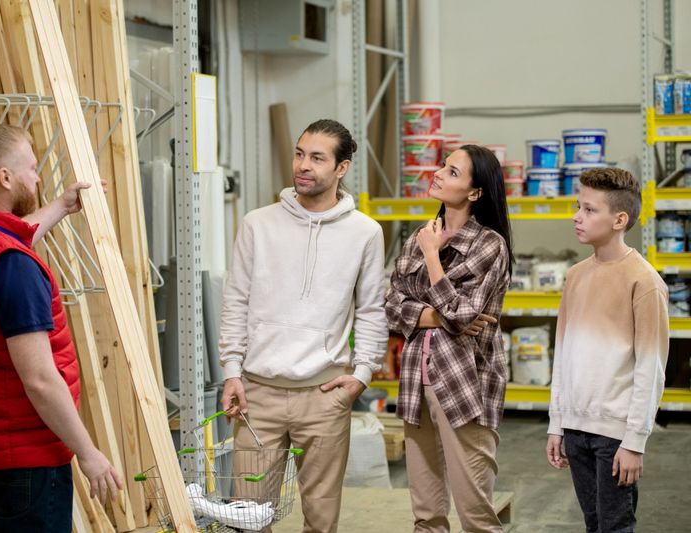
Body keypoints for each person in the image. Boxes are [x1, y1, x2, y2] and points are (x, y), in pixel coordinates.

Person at [0, 123, 122, 532]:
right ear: (5, 177)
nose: (37, 177)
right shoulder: (14, 268)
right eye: (31, 168)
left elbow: (4, 240)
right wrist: (87, 452)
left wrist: (62, 206)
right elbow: (39, 379)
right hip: (25, 461)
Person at [218, 119, 388, 532]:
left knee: (321, 519)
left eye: (317, 157)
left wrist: (362, 374)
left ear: (342, 168)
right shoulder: (258, 224)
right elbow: (235, 300)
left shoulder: (365, 233)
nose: (303, 165)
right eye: (299, 153)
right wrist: (231, 372)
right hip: (257, 394)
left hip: (324, 395)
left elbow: (370, 310)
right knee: (250, 520)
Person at [385, 144, 513, 533]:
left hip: (465, 388)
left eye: (453, 172)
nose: (439, 173)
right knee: (426, 515)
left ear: (475, 193)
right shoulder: (423, 236)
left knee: (477, 515)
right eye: (443, 165)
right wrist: (431, 315)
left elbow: (462, 317)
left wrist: (433, 260)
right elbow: (391, 305)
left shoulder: (489, 245)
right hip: (415, 385)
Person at [546, 167, 668, 532]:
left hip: (615, 434)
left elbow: (651, 367)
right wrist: (557, 422)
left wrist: (635, 441)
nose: (576, 217)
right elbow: (562, 355)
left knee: (615, 526)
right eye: (577, 207)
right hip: (575, 426)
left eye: (588, 209)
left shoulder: (644, 281)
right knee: (593, 522)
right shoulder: (575, 276)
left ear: (619, 219)